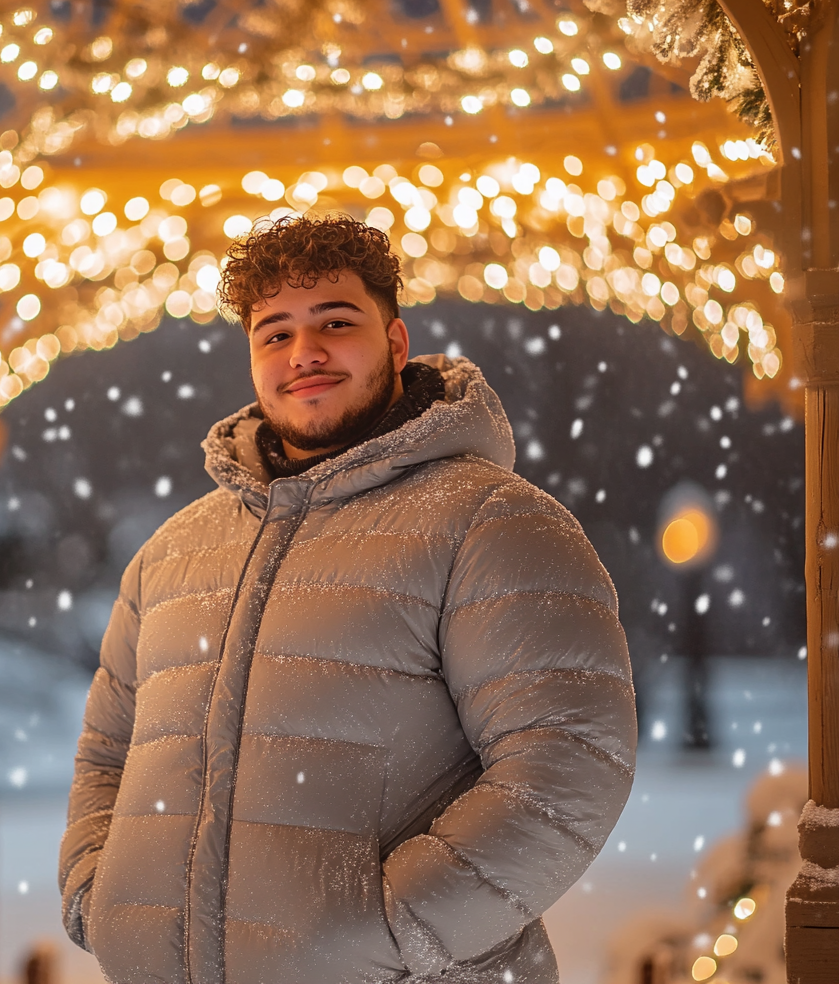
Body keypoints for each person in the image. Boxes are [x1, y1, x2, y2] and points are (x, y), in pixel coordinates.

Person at [59, 214, 636, 984]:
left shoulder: (491, 522)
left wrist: (386, 935)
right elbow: (107, 753)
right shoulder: (174, 553)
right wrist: (98, 897)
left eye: (336, 322)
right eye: (275, 333)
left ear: (395, 343)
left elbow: (570, 759)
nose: (306, 354)